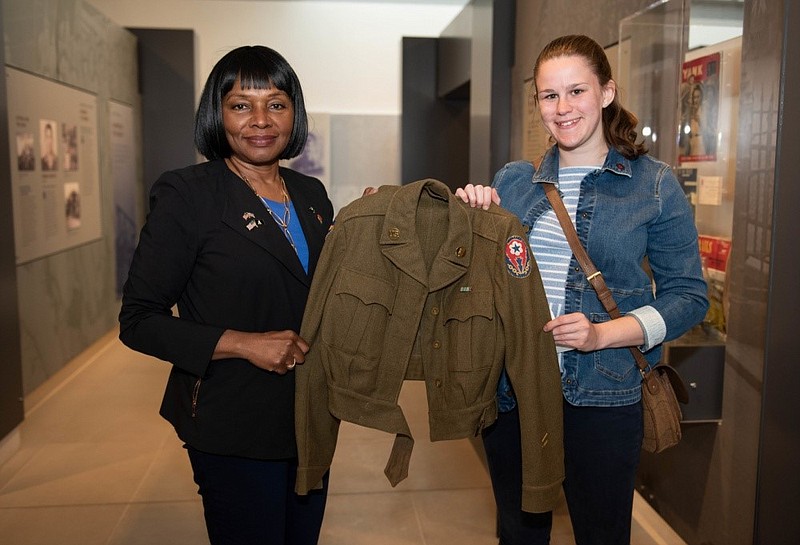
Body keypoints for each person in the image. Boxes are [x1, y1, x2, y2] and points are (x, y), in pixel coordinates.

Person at [456, 34, 708, 545]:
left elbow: (688, 296)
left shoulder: (652, 184)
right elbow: (480, 281)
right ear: (537, 105)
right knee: (519, 533)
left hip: (602, 394)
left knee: (601, 534)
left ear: (607, 92)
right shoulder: (515, 181)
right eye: (550, 96)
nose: (563, 108)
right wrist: (471, 218)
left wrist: (603, 335)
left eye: (577, 91)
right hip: (514, 393)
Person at [119, 45, 333, 545]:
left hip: (309, 417)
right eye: (241, 105)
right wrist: (244, 343)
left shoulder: (311, 195)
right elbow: (139, 319)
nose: (261, 120)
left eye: (276, 104)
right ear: (217, 114)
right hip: (231, 419)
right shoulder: (188, 195)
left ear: (294, 113)